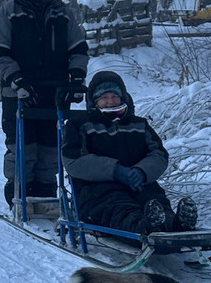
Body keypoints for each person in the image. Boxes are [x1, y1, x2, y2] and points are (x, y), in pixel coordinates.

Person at [0, 0, 89, 206]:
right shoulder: (8, 11)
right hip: (19, 91)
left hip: (55, 91)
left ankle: (44, 194)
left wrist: (76, 77)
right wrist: (16, 79)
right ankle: (19, 193)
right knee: (23, 145)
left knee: (51, 147)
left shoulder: (62, 12)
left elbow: (78, 47)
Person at [61, 70, 197, 236]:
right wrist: (116, 171)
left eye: (114, 96)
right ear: (94, 101)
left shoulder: (139, 124)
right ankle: (145, 229)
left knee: (154, 200)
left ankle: (173, 224)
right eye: (104, 98)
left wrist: (141, 171)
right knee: (119, 208)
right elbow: (74, 161)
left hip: (140, 184)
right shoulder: (80, 125)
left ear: (122, 97)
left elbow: (159, 154)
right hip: (98, 191)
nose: (110, 102)